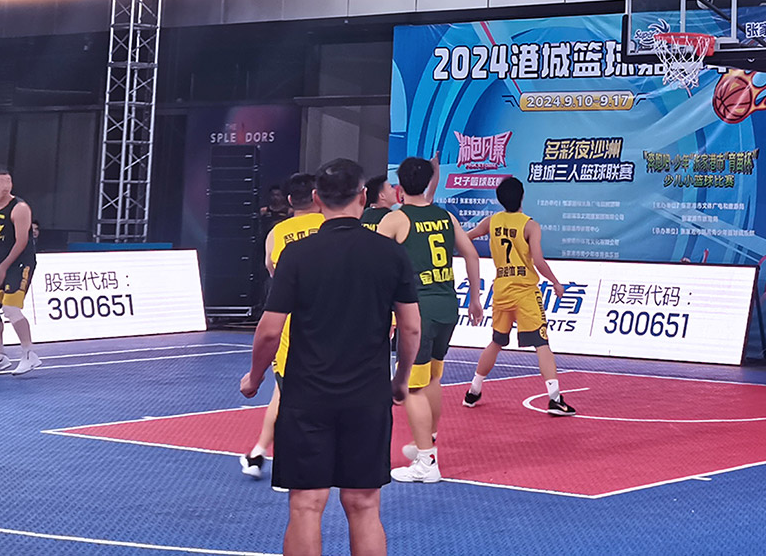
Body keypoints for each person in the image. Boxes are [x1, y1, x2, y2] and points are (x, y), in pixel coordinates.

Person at [240, 158, 421, 556]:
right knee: (364, 505)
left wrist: (254, 377)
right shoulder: (390, 254)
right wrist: (400, 380)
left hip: (307, 396)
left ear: (317, 199)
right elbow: (410, 328)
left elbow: (269, 330)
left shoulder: (296, 255)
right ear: (363, 197)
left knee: (306, 505)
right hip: (367, 396)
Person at [376, 156, 482, 484]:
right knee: (433, 377)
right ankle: (427, 440)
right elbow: (472, 254)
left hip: (417, 310)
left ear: (399, 187)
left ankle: (427, 461)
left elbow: (371, 264)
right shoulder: (445, 217)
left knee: (412, 386)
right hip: (447, 305)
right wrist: (475, 298)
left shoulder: (395, 220)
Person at [464, 177, 575, 416]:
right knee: (541, 344)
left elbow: (465, 238)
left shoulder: (491, 221)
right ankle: (555, 398)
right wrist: (555, 282)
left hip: (502, 291)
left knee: (496, 341)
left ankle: (473, 390)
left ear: (500, 199)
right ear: (522, 196)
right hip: (525, 292)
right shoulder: (530, 226)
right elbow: (538, 261)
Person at [240, 172, 323, 482]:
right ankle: (287, 461)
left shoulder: (278, 232)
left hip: (291, 320)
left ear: (289, 200)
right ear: (317, 196)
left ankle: (260, 451)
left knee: (285, 388)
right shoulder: (329, 226)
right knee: (295, 395)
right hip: (330, 320)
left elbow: (272, 271)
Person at [0, 168, 39, 376]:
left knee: (11, 308)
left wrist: (2, 268)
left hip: (20, 264)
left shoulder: (20, 208)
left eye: (9, 181)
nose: (6, 186)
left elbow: (22, 242)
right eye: (1, 182)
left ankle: (29, 354)